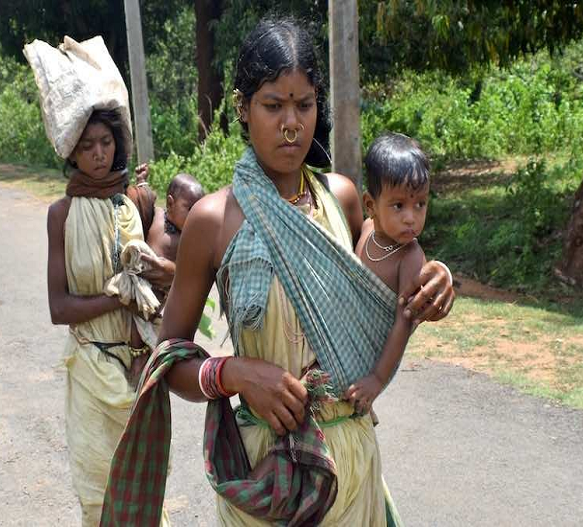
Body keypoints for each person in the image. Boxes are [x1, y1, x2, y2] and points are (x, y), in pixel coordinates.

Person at [102, 17, 454, 526]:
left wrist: (436, 280)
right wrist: (235, 374)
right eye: (273, 105)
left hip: (349, 464)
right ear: (243, 108)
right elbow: (168, 359)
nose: (291, 123)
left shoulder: (344, 200)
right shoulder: (212, 221)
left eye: (305, 105)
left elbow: (389, 281)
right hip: (265, 473)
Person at [45, 108, 171, 526]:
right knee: (100, 496)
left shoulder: (129, 209)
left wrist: (141, 350)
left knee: (143, 490)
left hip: (135, 369)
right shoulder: (61, 215)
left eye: (106, 142)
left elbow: (151, 292)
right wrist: (117, 297)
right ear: (72, 153)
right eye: (87, 146)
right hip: (89, 367)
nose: (99, 154)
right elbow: (59, 308)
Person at [345, 133, 431, 416]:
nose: (411, 217)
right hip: (344, 333)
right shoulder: (366, 229)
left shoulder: (410, 258)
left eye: (420, 204)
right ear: (370, 205)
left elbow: (404, 324)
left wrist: (377, 380)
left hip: (369, 358)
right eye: (399, 206)